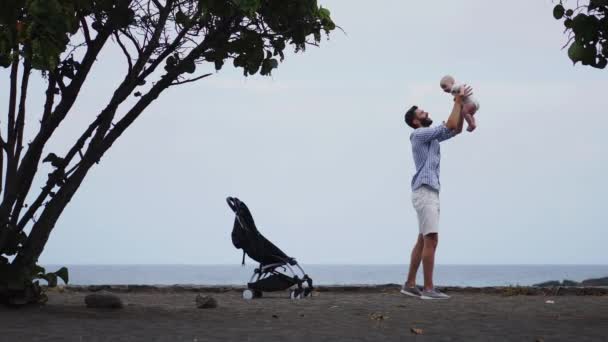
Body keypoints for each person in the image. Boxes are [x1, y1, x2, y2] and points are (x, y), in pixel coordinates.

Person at [400, 84, 472, 300]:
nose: (427, 113)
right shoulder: (420, 134)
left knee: (423, 240)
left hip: (428, 191)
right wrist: (458, 102)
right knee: (431, 238)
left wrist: (457, 106)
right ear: (416, 121)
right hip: (425, 191)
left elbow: (455, 128)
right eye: (422, 113)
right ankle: (429, 289)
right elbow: (449, 123)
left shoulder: (431, 137)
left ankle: (410, 284)